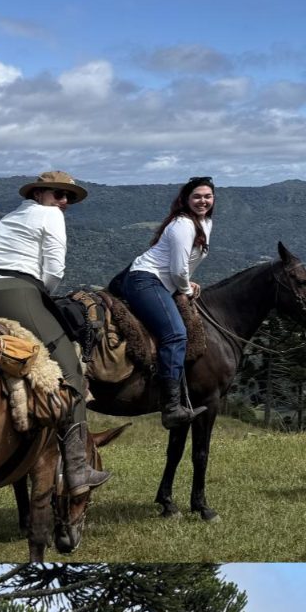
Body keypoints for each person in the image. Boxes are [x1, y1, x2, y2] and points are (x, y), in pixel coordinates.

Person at [0, 170, 104, 492]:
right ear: (38, 194)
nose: (63, 202)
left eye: (67, 197)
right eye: (56, 194)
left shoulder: (9, 218)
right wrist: (40, 296)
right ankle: (78, 469)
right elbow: (54, 269)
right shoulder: (50, 215)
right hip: (16, 293)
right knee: (71, 372)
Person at [116, 176, 215, 430]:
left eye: (207, 196)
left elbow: (183, 267)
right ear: (186, 199)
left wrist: (187, 282)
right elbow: (178, 269)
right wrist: (186, 289)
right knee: (175, 335)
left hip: (161, 281)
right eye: (197, 196)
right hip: (146, 281)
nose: (203, 201)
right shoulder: (183, 224)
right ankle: (171, 407)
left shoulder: (205, 222)